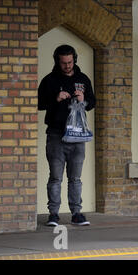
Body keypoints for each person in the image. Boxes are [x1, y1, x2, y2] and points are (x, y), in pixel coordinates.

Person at [38, 44, 96, 226]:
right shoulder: (49, 80)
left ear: (74, 60)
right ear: (57, 61)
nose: (67, 66)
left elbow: (92, 102)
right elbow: (38, 103)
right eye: (63, 63)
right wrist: (56, 98)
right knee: (55, 177)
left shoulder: (83, 78)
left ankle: (76, 213)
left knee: (75, 178)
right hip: (56, 135)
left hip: (78, 136)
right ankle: (53, 214)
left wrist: (83, 100)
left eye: (70, 62)